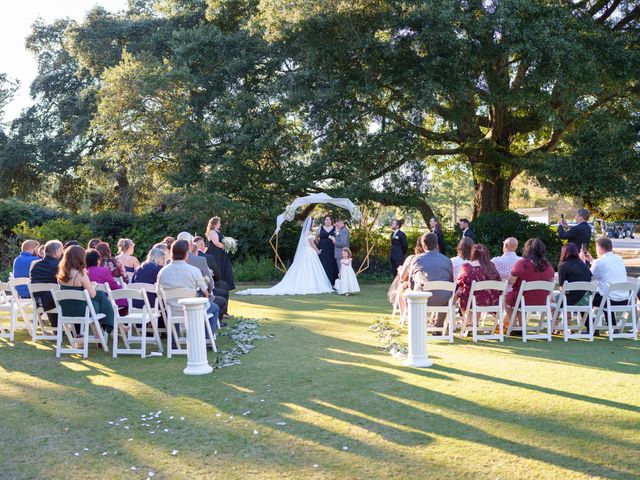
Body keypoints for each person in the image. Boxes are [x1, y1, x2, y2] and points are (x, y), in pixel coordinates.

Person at [236, 217, 334, 295]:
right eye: (312, 222)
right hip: (309, 251)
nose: (313, 224)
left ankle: (309, 283)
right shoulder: (308, 232)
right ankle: (311, 285)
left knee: (307, 269)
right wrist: (317, 251)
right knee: (310, 269)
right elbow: (311, 243)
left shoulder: (307, 232)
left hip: (307, 251)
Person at [157, 240, 219, 337]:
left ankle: (174, 342)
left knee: (174, 305)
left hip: (172, 310)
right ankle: (207, 339)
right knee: (215, 308)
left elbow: (159, 293)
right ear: (186, 254)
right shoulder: (194, 271)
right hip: (192, 310)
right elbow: (206, 293)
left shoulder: (162, 272)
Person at [56, 245, 114, 333]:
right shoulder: (80, 274)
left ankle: (101, 329)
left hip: (65, 311)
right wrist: (93, 285)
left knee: (101, 296)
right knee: (101, 296)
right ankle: (106, 328)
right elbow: (92, 295)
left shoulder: (61, 274)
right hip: (82, 312)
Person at [177, 231, 227, 324]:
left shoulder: (166, 265)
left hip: (173, 307)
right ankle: (208, 334)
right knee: (216, 305)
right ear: (191, 244)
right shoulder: (199, 261)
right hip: (195, 304)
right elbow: (210, 284)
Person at [505, 238, 555, 326]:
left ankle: (513, 325)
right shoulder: (548, 265)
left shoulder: (522, 263)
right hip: (542, 300)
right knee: (520, 296)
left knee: (507, 297)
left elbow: (511, 280)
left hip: (523, 299)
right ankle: (521, 326)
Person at [584, 236, 628, 329]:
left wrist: (583, 262)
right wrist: (592, 261)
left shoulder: (600, 262)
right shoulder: (619, 259)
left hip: (609, 300)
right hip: (624, 299)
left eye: (596, 248)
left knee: (583, 300)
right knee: (603, 295)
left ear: (600, 248)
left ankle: (591, 327)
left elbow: (588, 277)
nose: (596, 250)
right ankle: (612, 326)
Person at [411, 233, 454, 328]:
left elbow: (411, 280)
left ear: (424, 246)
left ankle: (419, 324)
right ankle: (439, 325)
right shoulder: (447, 260)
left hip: (423, 298)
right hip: (443, 298)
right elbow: (451, 281)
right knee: (445, 294)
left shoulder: (417, 259)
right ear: (437, 244)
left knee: (412, 289)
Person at [456, 244, 502, 319]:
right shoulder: (491, 266)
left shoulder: (466, 267)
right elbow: (498, 280)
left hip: (473, 300)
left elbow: (460, 282)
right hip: (492, 300)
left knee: (465, 292)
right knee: (476, 294)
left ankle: (468, 322)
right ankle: (475, 322)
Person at [388, 238, 423, 322]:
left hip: (415, 290)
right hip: (435, 294)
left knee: (401, 287)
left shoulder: (412, 259)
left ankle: (404, 315)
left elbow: (403, 278)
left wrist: (401, 271)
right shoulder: (439, 259)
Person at [30, 240, 63, 327]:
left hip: (38, 300)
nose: (62, 252)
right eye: (61, 250)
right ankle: (74, 330)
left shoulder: (36, 265)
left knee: (48, 294)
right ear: (56, 252)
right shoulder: (59, 265)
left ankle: (56, 327)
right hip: (53, 301)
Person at [131, 247, 167, 324]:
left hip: (136, 303)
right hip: (153, 304)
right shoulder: (160, 269)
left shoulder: (138, 269)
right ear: (161, 258)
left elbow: (132, 285)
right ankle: (164, 329)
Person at [205, 216, 236, 290]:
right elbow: (216, 243)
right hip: (216, 254)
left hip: (221, 253)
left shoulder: (218, 232)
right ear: (214, 224)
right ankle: (218, 286)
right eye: (219, 223)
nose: (220, 224)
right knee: (218, 268)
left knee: (225, 268)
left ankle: (225, 286)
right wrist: (226, 246)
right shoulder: (212, 232)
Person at [314, 215, 338, 284]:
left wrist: (335, 240)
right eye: (327, 220)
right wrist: (319, 245)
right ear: (324, 221)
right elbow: (316, 237)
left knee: (331, 264)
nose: (328, 221)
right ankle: (322, 282)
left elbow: (338, 237)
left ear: (331, 221)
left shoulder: (335, 228)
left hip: (331, 249)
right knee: (322, 264)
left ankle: (331, 282)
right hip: (322, 249)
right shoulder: (320, 228)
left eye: (329, 220)